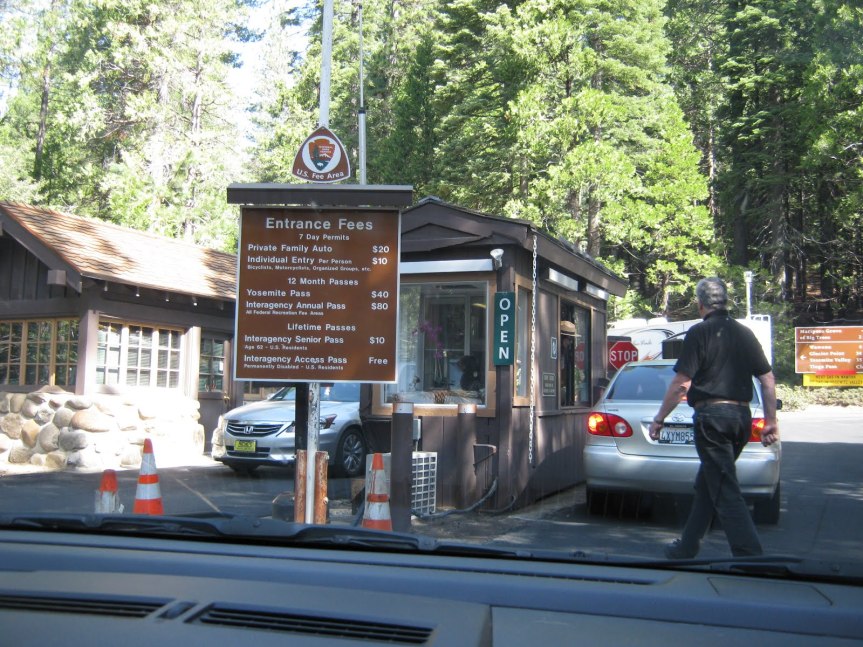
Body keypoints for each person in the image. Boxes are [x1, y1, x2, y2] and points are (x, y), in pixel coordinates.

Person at [649, 277, 779, 559]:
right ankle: (687, 546)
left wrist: (659, 418)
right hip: (741, 419)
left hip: (713, 419)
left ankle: (751, 556)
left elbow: (682, 384)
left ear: (700, 304)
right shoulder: (744, 333)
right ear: (725, 302)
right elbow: (767, 380)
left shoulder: (699, 333)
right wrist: (770, 422)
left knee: (723, 487)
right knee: (709, 483)